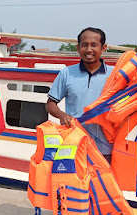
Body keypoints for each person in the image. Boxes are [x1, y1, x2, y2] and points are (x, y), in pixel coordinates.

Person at [46, 27, 114, 163]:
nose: (89, 50)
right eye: (84, 45)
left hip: (107, 150)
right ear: (78, 48)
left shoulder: (114, 75)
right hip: (74, 146)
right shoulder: (66, 73)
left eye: (94, 45)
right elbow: (50, 104)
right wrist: (62, 115)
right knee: (74, 184)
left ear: (103, 47)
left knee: (103, 184)